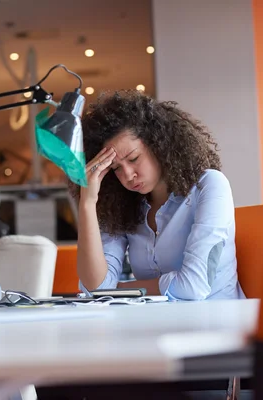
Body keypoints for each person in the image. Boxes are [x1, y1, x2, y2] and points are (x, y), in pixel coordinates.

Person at [73, 90, 245, 300]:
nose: (128, 175)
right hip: (158, 326)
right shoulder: (125, 207)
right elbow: (96, 288)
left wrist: (121, 290)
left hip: (217, 325)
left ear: (158, 144)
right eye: (116, 168)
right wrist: (87, 204)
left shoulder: (209, 186)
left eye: (134, 158)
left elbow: (193, 286)